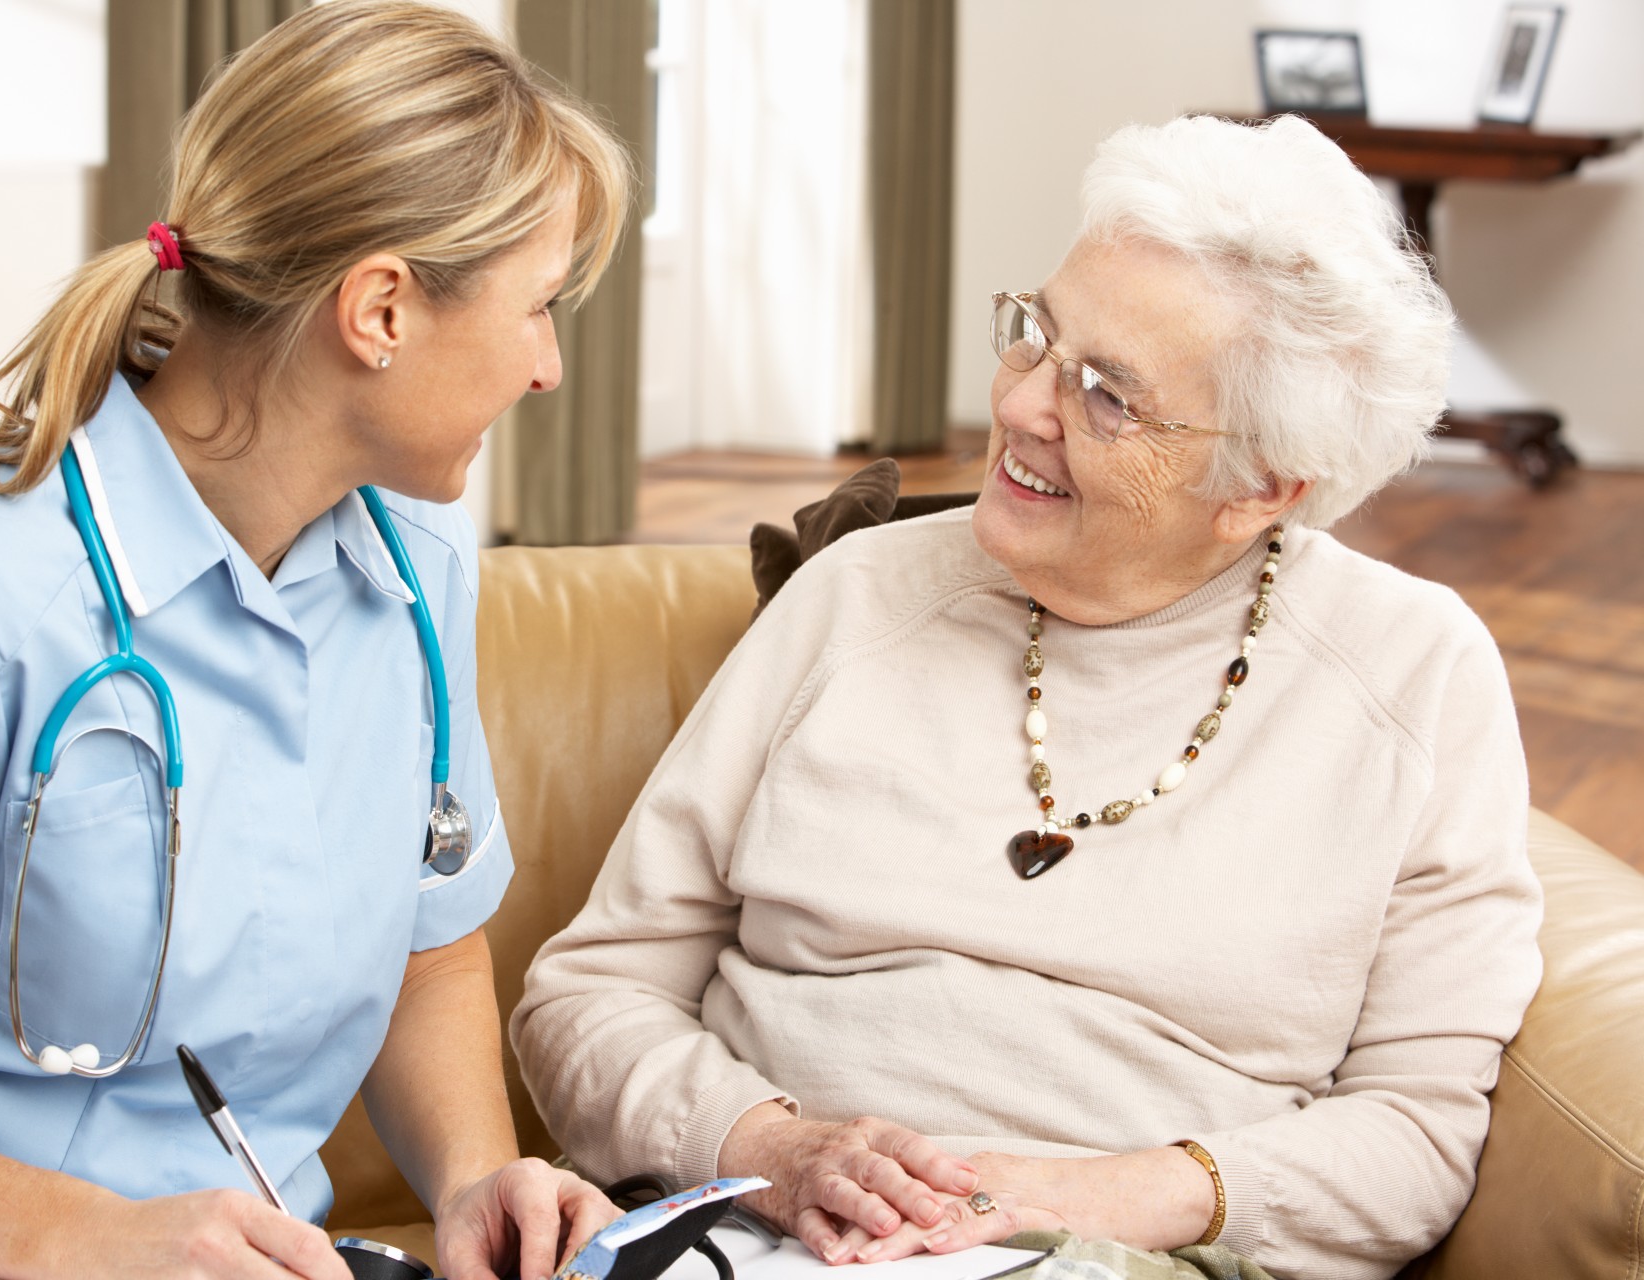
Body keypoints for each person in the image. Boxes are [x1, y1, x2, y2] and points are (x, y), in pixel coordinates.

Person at [511, 114, 1543, 1280]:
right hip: (754, 1234)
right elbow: (588, 996)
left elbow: (1417, 1129)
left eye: (1106, 395)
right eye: (1034, 337)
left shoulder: (1413, 673)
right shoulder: (856, 596)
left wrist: (1066, 1196)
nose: (1020, 406)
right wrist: (777, 1148)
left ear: (1262, 484)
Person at [0, 4, 630, 1277]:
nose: (547, 368)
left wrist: (479, 1176)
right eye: (540, 307)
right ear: (379, 311)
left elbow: (427, 944)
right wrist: (88, 1236)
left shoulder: (415, 575)